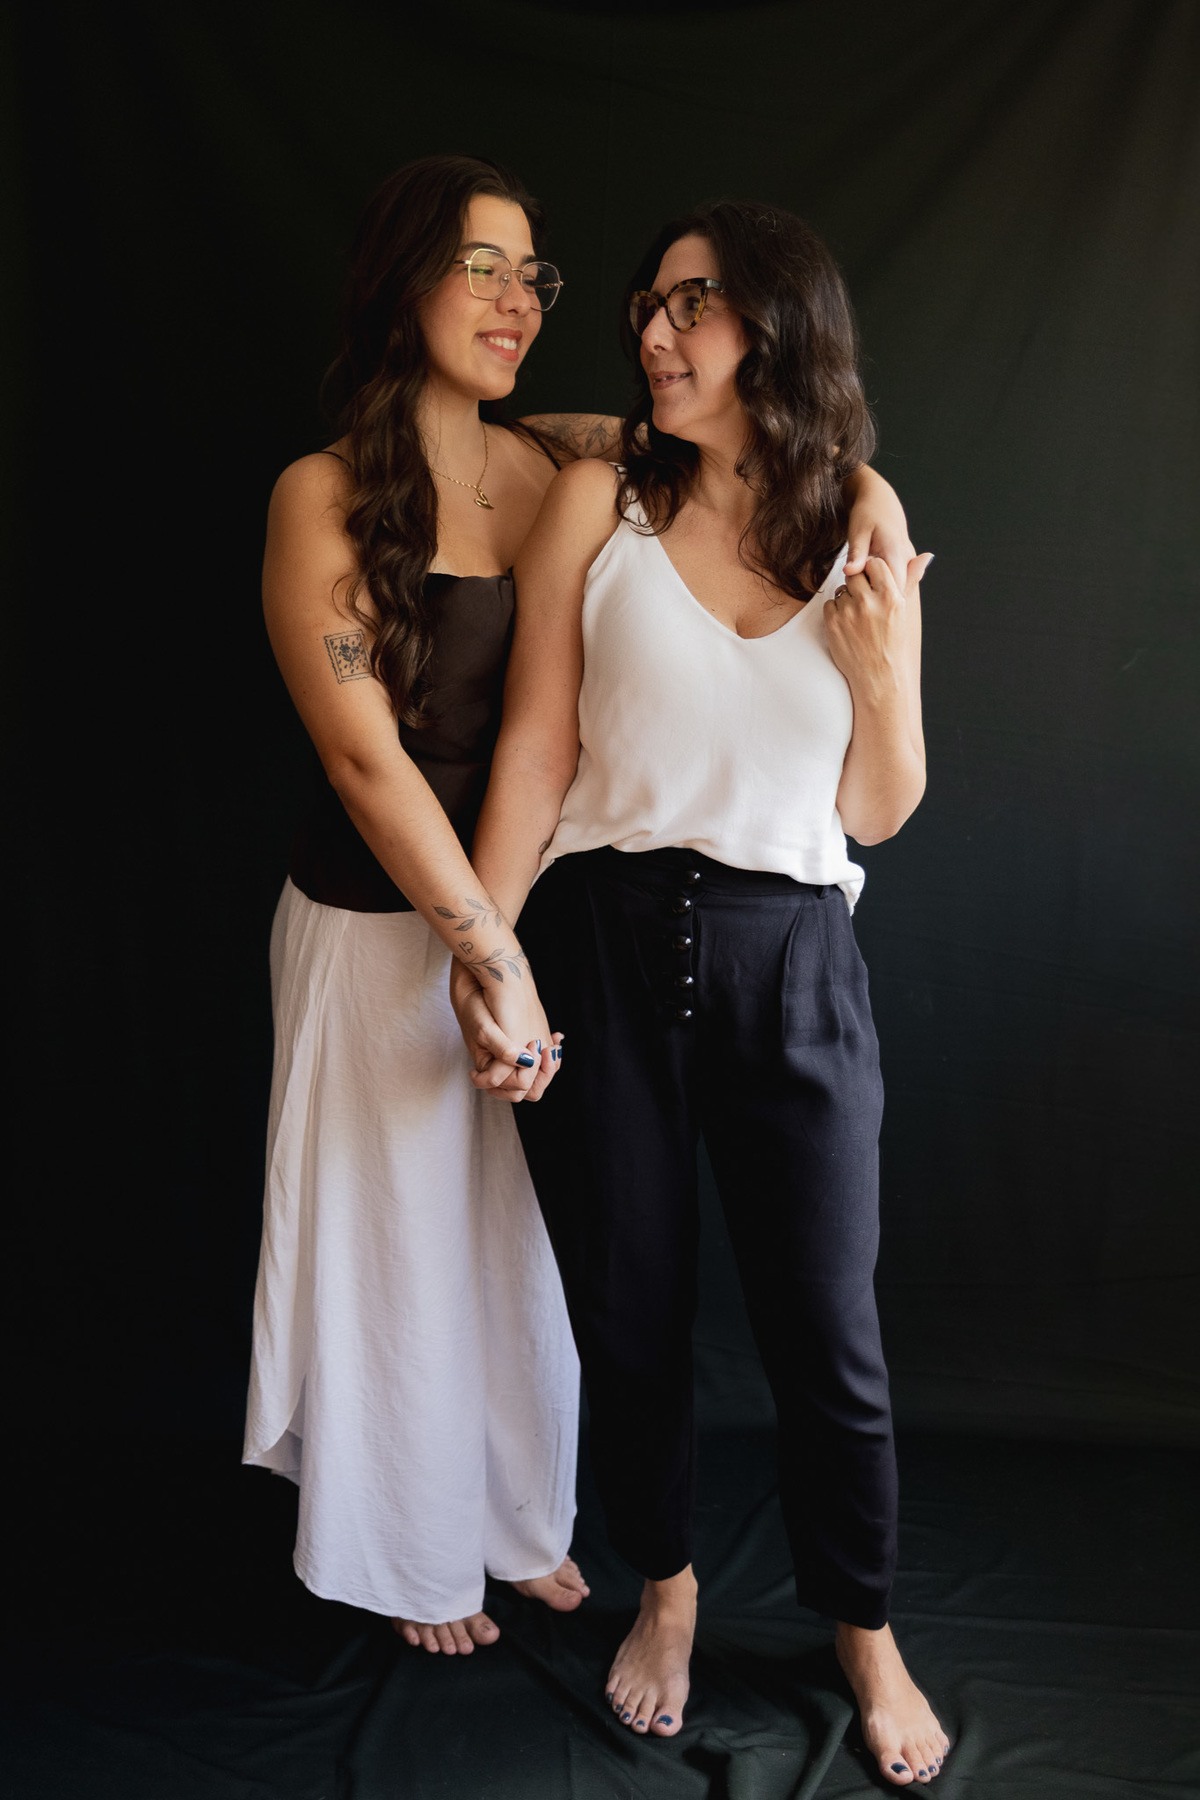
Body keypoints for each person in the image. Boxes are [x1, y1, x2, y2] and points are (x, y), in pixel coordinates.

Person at [244, 155, 917, 1659]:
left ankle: (511, 1521)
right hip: (406, 910)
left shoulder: (554, 468)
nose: (519, 301)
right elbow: (377, 755)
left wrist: (868, 627)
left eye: (531, 275)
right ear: (401, 280)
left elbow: (709, 447)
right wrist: (485, 948)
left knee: (524, 1258)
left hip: (556, 913)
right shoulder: (332, 492)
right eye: (478, 266)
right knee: (406, 1246)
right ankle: (408, 1550)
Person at [463, 200, 950, 1786]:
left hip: (795, 954)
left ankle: (862, 1629)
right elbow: (537, 745)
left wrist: (879, 673)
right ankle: (665, 1593)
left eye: (692, 306)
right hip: (602, 938)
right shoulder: (599, 500)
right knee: (631, 1311)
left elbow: (879, 807)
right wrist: (487, 952)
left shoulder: (860, 506)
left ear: (776, 326)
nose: (654, 332)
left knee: (829, 1330)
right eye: (649, 308)